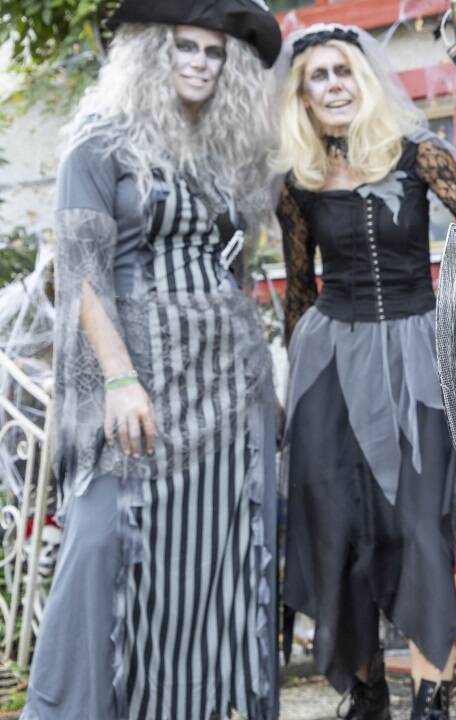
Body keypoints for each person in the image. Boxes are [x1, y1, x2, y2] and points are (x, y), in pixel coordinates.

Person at [26, 1, 283, 718]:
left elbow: (234, 273)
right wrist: (117, 378)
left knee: (216, 551)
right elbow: (81, 271)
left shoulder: (226, 154)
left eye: (213, 53)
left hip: (227, 377)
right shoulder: (100, 140)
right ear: (150, 51)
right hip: (135, 364)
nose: (200, 63)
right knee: (104, 537)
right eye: (185, 48)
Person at [273, 24, 456, 720]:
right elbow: (297, 291)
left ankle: (431, 694)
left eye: (343, 71)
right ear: (304, 96)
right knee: (338, 525)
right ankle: (366, 685)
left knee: (418, 525)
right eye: (319, 76)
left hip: (416, 355)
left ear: (365, 79)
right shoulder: (299, 183)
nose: (334, 85)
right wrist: (296, 395)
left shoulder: (422, 157)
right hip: (331, 365)